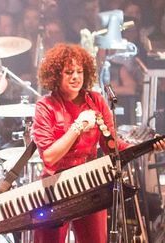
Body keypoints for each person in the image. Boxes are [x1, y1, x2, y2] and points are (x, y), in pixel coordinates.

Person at [32, 43, 165, 243]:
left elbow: (112, 147)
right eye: (69, 72)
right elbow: (49, 156)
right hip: (55, 186)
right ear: (55, 75)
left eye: (79, 71)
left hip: (90, 183)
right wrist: (77, 127)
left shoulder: (96, 101)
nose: (76, 77)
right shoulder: (45, 106)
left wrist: (147, 147)